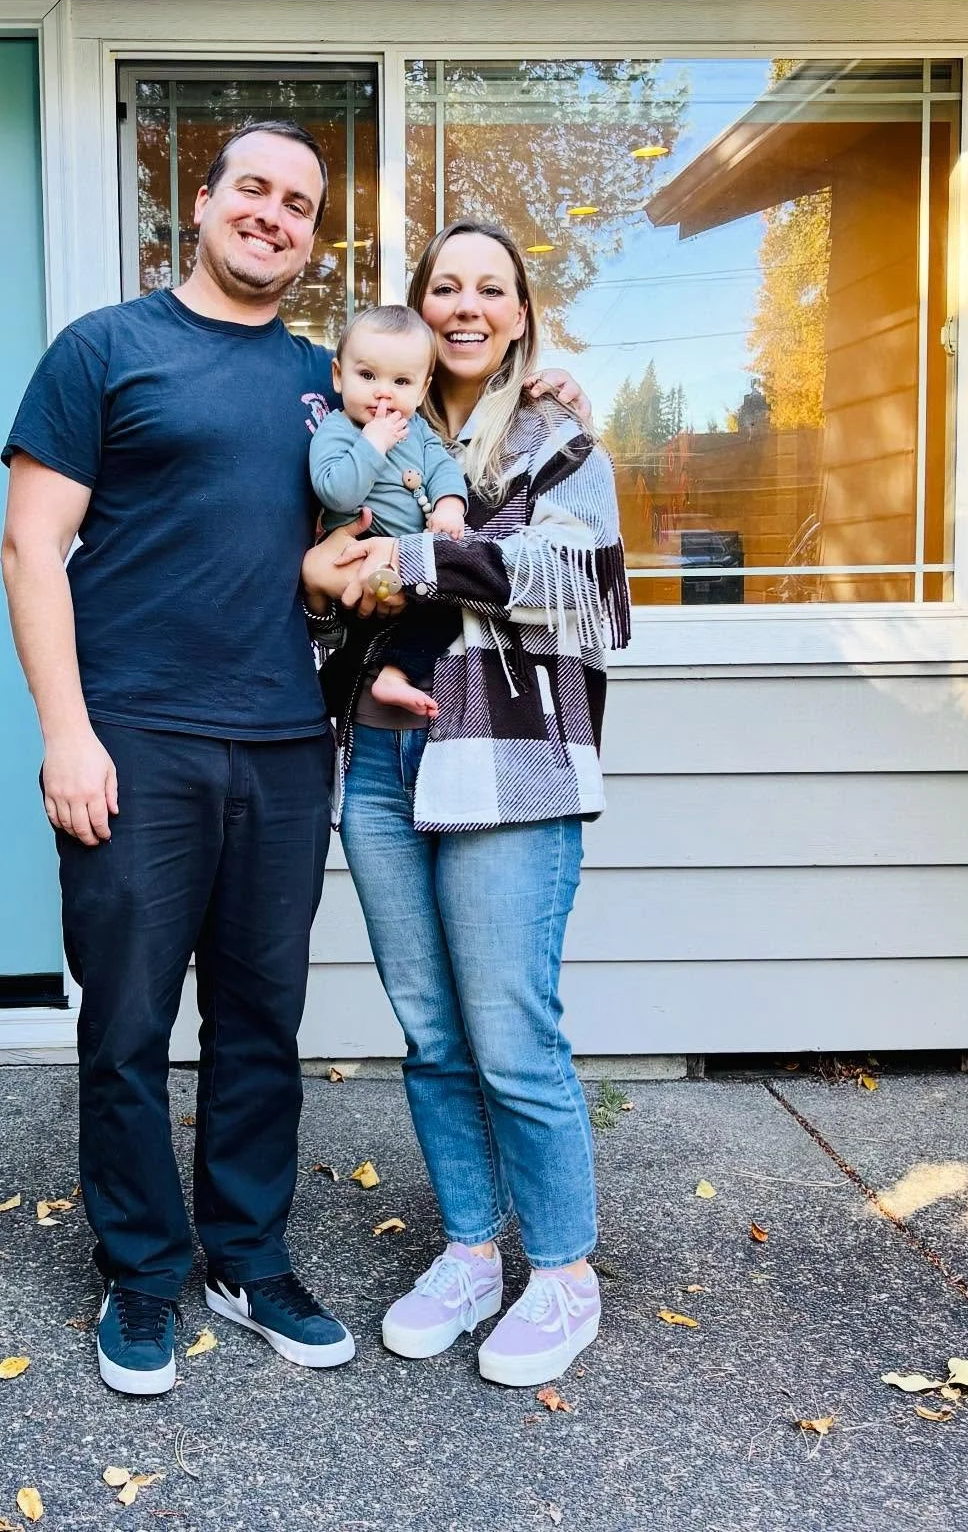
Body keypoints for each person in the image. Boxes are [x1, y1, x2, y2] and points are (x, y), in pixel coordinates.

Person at [1, 124, 590, 1398]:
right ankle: (144, 1276)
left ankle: (249, 1259)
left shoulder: (329, 387)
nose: (272, 215)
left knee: (263, 1022)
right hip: (136, 741)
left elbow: (389, 504)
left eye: (300, 204)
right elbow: (30, 548)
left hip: (285, 745)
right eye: (251, 191)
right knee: (130, 1023)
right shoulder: (105, 351)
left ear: (314, 239)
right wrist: (66, 733)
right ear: (203, 204)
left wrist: (545, 391)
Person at [301, 218, 629, 1391]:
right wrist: (354, 634)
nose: (467, 305)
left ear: (523, 313)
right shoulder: (369, 431)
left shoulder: (555, 434)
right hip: (383, 769)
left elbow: (580, 585)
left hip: (506, 765)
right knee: (432, 1035)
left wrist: (419, 564)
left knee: (508, 1029)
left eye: (492, 287)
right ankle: (473, 1250)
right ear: (418, 309)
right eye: (447, 286)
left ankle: (563, 1273)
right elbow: (322, 590)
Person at [309, 304, 467, 719]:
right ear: (339, 376)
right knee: (357, 644)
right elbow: (336, 493)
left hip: (412, 564)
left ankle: (394, 676)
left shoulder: (418, 429)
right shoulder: (337, 431)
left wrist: (449, 507)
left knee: (448, 608)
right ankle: (323, 701)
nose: (383, 392)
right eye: (367, 376)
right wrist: (372, 444)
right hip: (355, 561)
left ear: (422, 388)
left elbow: (443, 467)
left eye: (400, 381)